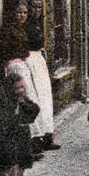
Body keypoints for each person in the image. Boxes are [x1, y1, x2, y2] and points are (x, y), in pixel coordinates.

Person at [21, 20, 59, 153]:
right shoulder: (28, 56)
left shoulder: (39, 54)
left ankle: (47, 134)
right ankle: (39, 137)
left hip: (38, 60)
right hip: (31, 60)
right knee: (37, 100)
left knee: (45, 100)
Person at [0, 1, 31, 69]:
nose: (22, 15)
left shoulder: (22, 29)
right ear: (13, 13)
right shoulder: (7, 30)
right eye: (19, 12)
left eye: (25, 12)